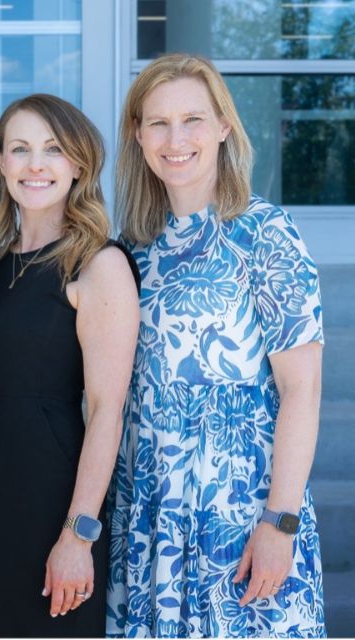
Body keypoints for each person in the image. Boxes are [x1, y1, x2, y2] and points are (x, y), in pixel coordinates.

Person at [106, 53, 326, 637]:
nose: (175, 139)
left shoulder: (265, 232)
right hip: (155, 506)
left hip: (244, 506)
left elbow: (302, 391)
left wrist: (280, 522)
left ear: (224, 127)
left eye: (193, 120)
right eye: (158, 122)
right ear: (138, 134)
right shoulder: (130, 251)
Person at [0, 94, 140, 637]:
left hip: (51, 502)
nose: (36, 164)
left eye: (53, 149)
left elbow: (107, 411)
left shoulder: (97, 265)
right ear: (1, 163)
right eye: (21, 149)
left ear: (78, 164)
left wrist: (78, 535)